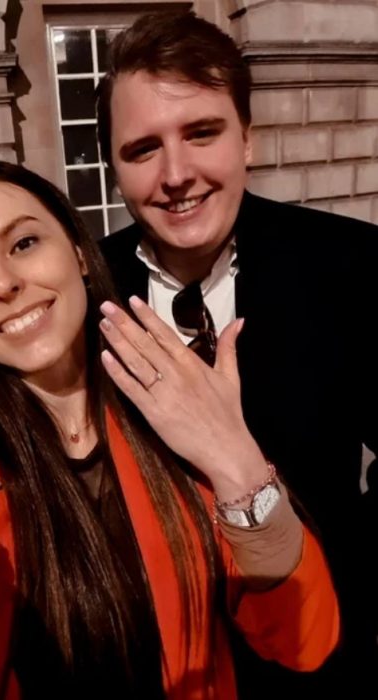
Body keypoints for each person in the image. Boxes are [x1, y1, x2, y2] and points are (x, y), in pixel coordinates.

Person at [0, 160, 338, 699]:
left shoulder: (171, 409)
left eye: (23, 244)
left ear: (80, 253)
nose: (4, 284)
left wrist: (236, 460)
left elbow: (302, 639)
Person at [96, 9, 378, 697]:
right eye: (142, 149)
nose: (176, 174)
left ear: (247, 139)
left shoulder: (353, 263)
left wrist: (358, 587)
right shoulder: (83, 292)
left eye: (201, 133)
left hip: (321, 659)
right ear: (113, 166)